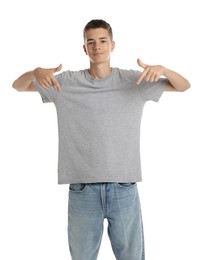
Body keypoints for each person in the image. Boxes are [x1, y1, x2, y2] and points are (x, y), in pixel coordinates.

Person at [12, 19, 190, 260]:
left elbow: (183, 86)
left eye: (103, 41)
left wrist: (165, 70)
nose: (97, 47)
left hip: (124, 186)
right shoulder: (66, 83)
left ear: (113, 45)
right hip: (82, 188)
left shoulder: (133, 81)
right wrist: (34, 72)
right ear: (84, 48)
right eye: (91, 42)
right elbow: (19, 86)